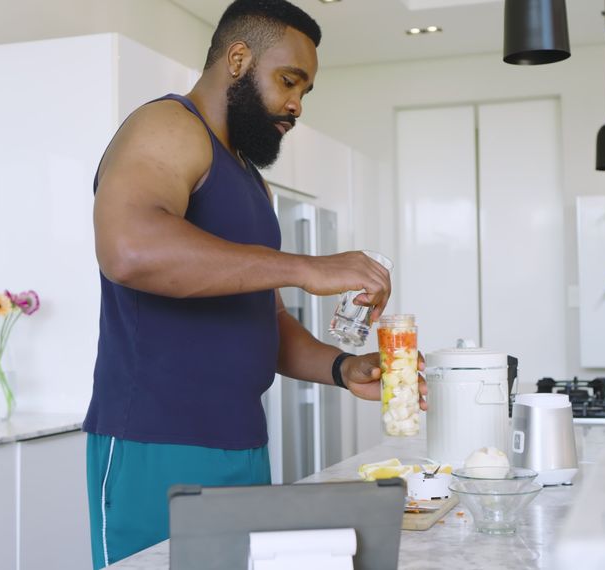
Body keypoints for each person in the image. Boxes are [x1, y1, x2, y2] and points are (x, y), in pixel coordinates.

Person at [83, 0, 427, 567]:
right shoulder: (169, 126)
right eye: (289, 81)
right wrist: (307, 266)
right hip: (155, 441)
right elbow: (129, 250)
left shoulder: (251, 181)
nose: (295, 105)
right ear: (238, 59)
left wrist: (343, 367)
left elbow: (263, 320)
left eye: (305, 91)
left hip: (243, 444)